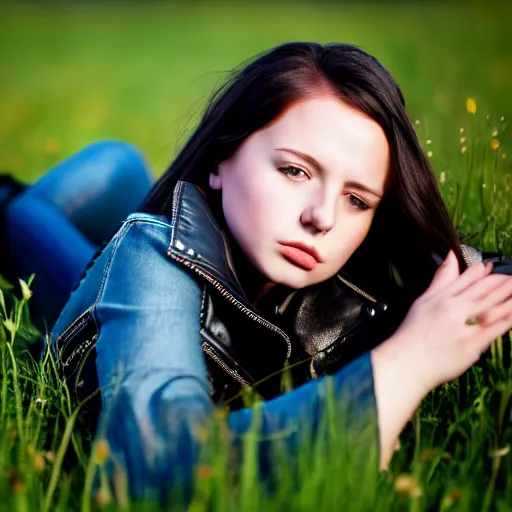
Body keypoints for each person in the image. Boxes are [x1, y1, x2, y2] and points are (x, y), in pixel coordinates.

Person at [2, 42, 512, 502]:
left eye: (357, 198)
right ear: (221, 158)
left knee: (118, 170)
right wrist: (407, 363)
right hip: (126, 281)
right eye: (295, 170)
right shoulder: (152, 254)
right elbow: (157, 467)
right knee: (82, 201)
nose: (323, 217)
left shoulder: (365, 268)